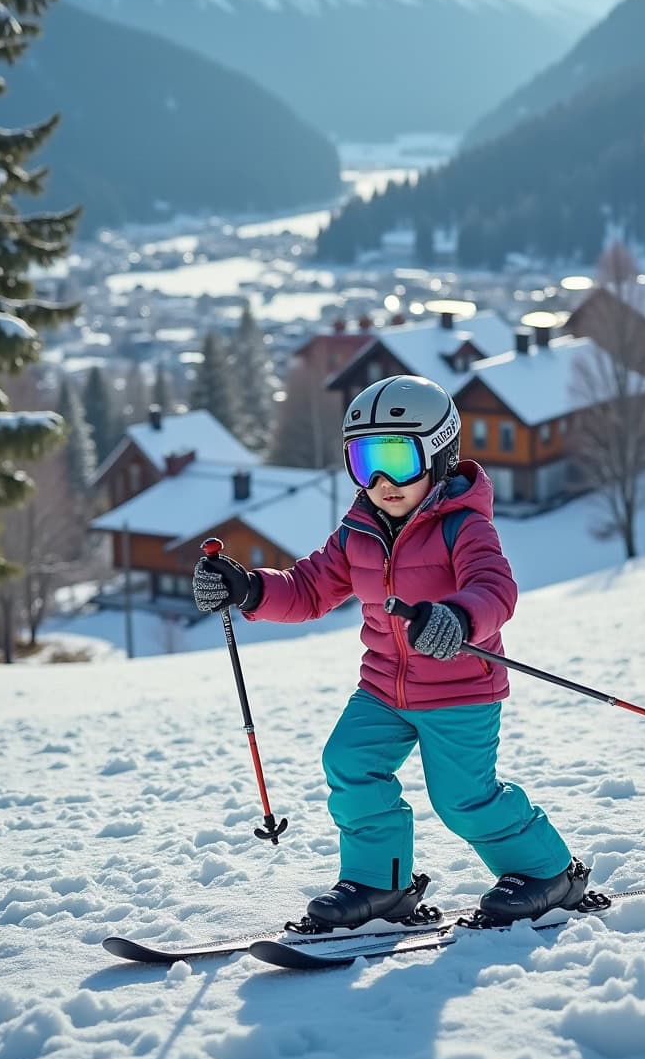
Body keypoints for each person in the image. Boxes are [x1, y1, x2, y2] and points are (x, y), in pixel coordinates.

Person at [193, 373, 587, 930]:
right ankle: (381, 883)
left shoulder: (464, 527)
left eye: (397, 460)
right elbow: (307, 588)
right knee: (350, 763)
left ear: (439, 454)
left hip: (459, 690)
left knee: (463, 799)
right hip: (383, 688)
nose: (382, 480)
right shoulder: (359, 531)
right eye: (363, 461)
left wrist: (457, 617)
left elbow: (496, 588)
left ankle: (547, 872)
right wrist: (249, 588)